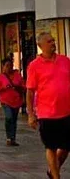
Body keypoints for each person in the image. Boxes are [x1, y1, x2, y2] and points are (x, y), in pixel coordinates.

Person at [26, 33, 70, 179]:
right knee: (50, 146)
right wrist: (31, 114)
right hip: (47, 113)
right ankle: (56, 177)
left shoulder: (65, 61)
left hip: (66, 111)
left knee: (65, 147)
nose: (53, 43)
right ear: (41, 46)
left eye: (53, 40)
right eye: (49, 41)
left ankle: (53, 170)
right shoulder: (34, 66)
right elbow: (30, 91)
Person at [0, 58, 24, 146]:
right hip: (5, 101)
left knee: (14, 120)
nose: (9, 68)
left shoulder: (17, 75)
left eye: (10, 65)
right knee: (9, 117)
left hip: (16, 101)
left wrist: (18, 87)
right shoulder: (0, 77)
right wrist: (3, 87)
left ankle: (12, 138)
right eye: (7, 66)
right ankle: (8, 137)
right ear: (3, 66)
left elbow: (23, 85)